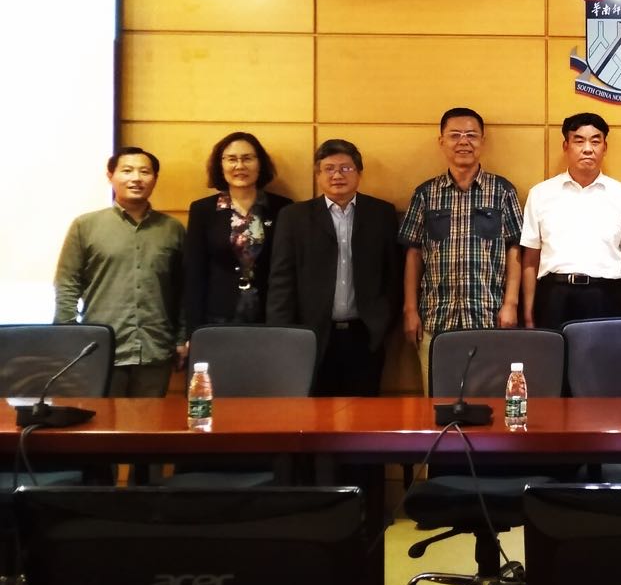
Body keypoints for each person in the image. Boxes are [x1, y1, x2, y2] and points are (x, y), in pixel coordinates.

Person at [398, 108, 522, 393]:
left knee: (489, 401)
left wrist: (511, 304)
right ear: (441, 141)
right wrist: (410, 310)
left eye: (471, 135)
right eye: (455, 135)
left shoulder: (502, 191)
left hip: (489, 316)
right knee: (436, 401)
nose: (463, 141)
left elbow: (515, 249)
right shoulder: (425, 193)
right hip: (435, 318)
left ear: (482, 141)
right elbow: (413, 254)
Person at [267, 139, 401, 395]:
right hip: (311, 335)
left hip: (364, 335)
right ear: (318, 175)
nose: (337, 175)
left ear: (359, 173)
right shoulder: (294, 217)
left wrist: (383, 322)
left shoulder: (382, 214)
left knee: (365, 412)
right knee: (314, 412)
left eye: (346, 168)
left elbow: (393, 275)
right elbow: (281, 281)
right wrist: (282, 333)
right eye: (329, 169)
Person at [53, 148, 186, 397]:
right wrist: (68, 336)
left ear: (154, 178)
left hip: (155, 350)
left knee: (150, 421)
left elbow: (182, 290)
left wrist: (181, 339)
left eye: (144, 172)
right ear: (110, 176)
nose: (136, 178)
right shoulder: (85, 226)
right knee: (100, 420)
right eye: (127, 170)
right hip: (100, 350)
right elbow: (67, 283)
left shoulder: (173, 229)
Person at [521, 112, 621, 330]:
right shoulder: (540, 194)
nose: (588, 149)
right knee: (555, 353)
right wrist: (528, 316)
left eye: (595, 141)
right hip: (553, 296)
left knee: (602, 354)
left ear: (605, 147)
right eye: (579, 141)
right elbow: (530, 259)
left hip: (606, 296)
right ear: (565, 146)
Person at [183, 131, 292, 332]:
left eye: (247, 158)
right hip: (217, 317)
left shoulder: (282, 208)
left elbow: (288, 270)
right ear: (220, 165)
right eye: (232, 159)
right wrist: (192, 330)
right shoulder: (203, 210)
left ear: (260, 164)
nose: (240, 166)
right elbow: (194, 273)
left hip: (270, 316)